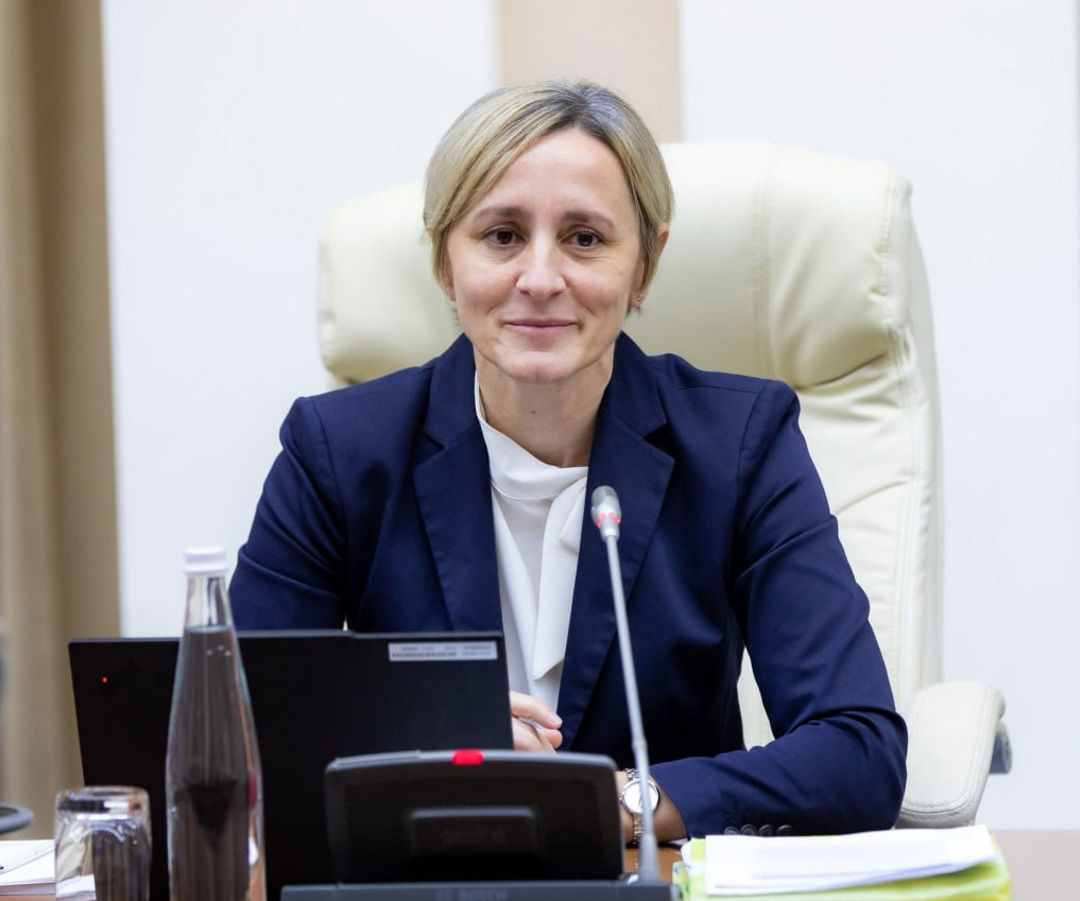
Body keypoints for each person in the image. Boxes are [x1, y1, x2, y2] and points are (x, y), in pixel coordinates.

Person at [231, 80, 907, 843]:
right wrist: (438, 747)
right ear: (444, 262)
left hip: (651, 875)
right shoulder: (336, 451)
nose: (541, 278)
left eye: (585, 238)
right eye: (501, 235)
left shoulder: (740, 443)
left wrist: (606, 801)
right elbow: (237, 735)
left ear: (645, 264)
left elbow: (858, 754)